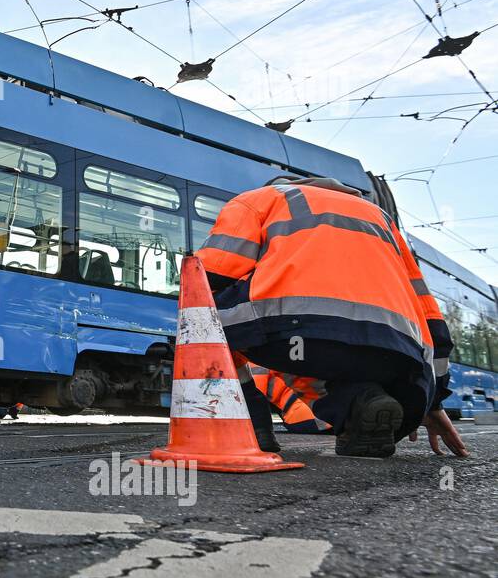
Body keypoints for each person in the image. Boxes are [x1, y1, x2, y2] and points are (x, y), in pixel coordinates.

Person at [198, 175, 467, 458]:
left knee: (202, 316)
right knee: (324, 351)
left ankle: (251, 424)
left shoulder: (258, 199)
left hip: (298, 338)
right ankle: (358, 407)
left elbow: (210, 276)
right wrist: (433, 401)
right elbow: (431, 317)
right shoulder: (381, 218)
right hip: (395, 353)